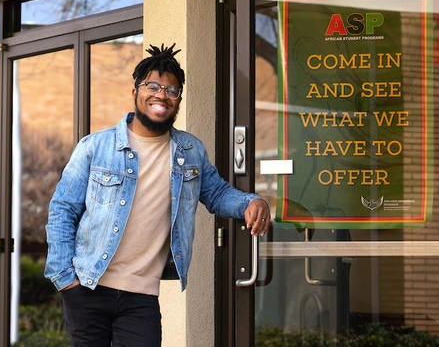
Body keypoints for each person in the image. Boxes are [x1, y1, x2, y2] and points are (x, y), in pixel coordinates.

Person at [45, 43, 270, 346]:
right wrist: (65, 281)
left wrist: (251, 202)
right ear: (135, 91)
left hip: (141, 296)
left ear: (178, 100)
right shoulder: (94, 148)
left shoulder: (190, 152)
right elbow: (62, 210)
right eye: (153, 85)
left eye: (172, 90)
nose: (162, 95)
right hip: (88, 287)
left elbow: (216, 194)